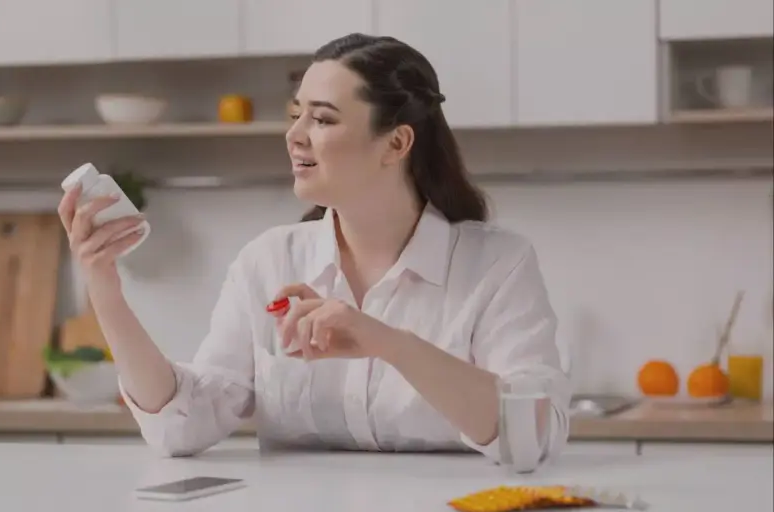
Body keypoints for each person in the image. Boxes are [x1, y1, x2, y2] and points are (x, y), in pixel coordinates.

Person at [57, 33, 571, 463]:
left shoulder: (497, 265)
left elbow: (532, 435)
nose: (295, 135)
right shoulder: (268, 261)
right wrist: (105, 290)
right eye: (295, 115)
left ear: (396, 143)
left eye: (322, 119)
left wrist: (387, 343)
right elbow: (180, 427)